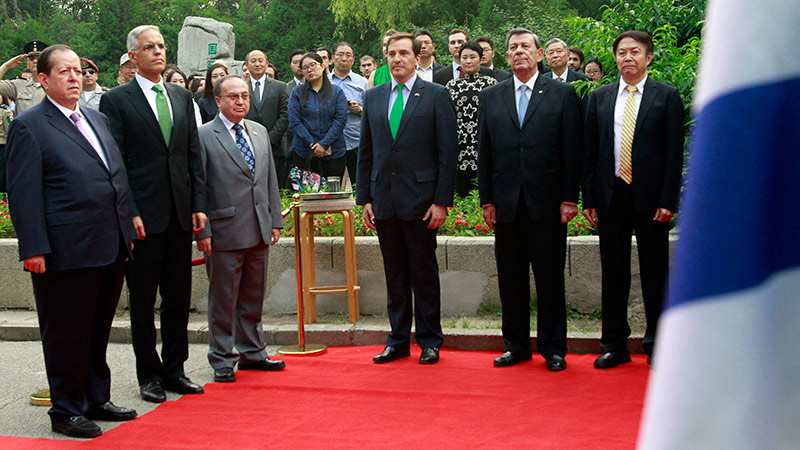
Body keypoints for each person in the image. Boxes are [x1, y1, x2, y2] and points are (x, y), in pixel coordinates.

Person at [6, 44, 138, 438]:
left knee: (99, 327)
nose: (74, 77)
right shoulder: (30, 125)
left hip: (109, 243)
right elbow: (23, 193)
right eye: (63, 71)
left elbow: (116, 175)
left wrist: (129, 224)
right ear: (43, 79)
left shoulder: (96, 119)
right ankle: (65, 409)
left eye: (78, 70)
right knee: (66, 332)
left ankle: (96, 398)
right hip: (64, 251)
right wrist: (33, 247)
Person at [99, 25, 207, 404]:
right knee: (143, 301)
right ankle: (149, 374)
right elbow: (116, 162)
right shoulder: (117, 100)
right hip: (143, 217)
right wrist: (129, 212)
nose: (158, 52)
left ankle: (175, 368)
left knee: (178, 298)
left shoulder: (180, 95)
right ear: (133, 56)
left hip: (180, 213)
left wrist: (198, 205)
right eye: (149, 47)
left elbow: (192, 155)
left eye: (161, 46)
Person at [477, 28, 583, 372]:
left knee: (550, 278)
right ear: (506, 57)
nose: (518, 51)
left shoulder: (562, 94)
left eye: (525, 46)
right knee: (511, 279)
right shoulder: (492, 96)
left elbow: (572, 151)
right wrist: (487, 199)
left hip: (548, 203)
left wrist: (570, 198)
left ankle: (553, 347)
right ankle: (516, 345)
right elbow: (485, 153)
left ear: (539, 54)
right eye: (512, 48)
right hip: (506, 204)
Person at [582, 30, 684, 369]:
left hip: (651, 198)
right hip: (611, 195)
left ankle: (659, 344)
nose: (628, 57)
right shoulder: (600, 97)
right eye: (622, 52)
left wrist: (669, 199)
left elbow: (673, 153)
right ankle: (614, 344)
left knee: (655, 272)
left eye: (635, 52)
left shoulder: (666, 96)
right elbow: (591, 152)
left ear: (648, 57)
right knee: (614, 273)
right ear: (615, 58)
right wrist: (589, 199)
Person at [357, 33, 458, 365]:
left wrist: (441, 200)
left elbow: (447, 152)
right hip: (384, 200)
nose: (397, 58)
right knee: (395, 274)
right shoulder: (373, 97)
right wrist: (365, 199)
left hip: (422, 201)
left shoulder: (436, 95)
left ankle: (429, 340)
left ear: (418, 57)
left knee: (423, 273)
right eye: (391, 53)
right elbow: (366, 152)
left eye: (404, 53)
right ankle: (398, 339)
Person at [195, 75, 286, 383]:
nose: (240, 101)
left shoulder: (259, 132)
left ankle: (253, 352)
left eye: (244, 96)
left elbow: (270, 179)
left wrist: (275, 219)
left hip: (259, 226)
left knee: (252, 295)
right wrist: (202, 230)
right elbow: (198, 187)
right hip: (223, 229)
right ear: (218, 101)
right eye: (232, 96)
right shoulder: (204, 135)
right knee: (223, 298)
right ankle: (222, 357)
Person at [446, 41, 497, 198]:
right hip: (459, 147)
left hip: (483, 145)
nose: (468, 61)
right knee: (460, 193)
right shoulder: (451, 86)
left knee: (484, 194)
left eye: (472, 57)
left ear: (481, 59)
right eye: (464, 57)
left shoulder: (491, 85)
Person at [288, 52, 348, 181]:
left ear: (322, 66)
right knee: (306, 194)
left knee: (333, 195)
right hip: (304, 152)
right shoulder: (297, 93)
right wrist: (313, 144)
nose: (309, 69)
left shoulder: (337, 92)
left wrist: (324, 144)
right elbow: (294, 121)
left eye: (313, 65)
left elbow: (340, 120)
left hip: (334, 152)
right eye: (305, 67)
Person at [244, 49, 289, 189]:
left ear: (267, 64)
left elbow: (285, 115)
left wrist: (270, 138)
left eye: (260, 60)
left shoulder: (280, 87)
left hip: (275, 147)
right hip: (247, 145)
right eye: (253, 61)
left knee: (275, 188)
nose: (257, 64)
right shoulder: (241, 87)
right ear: (246, 65)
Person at [329, 42, 367, 186]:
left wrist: (359, 110)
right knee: (332, 186)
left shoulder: (362, 82)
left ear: (353, 60)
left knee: (359, 185)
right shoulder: (324, 81)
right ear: (333, 58)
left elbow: (372, 112)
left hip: (356, 140)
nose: (344, 58)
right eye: (340, 54)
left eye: (348, 55)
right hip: (330, 142)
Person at [0, 40, 48, 115]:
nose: (35, 61)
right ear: (28, 64)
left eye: (38, 58)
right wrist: (6, 66)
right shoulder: (19, 85)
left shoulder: (55, 85)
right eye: (31, 59)